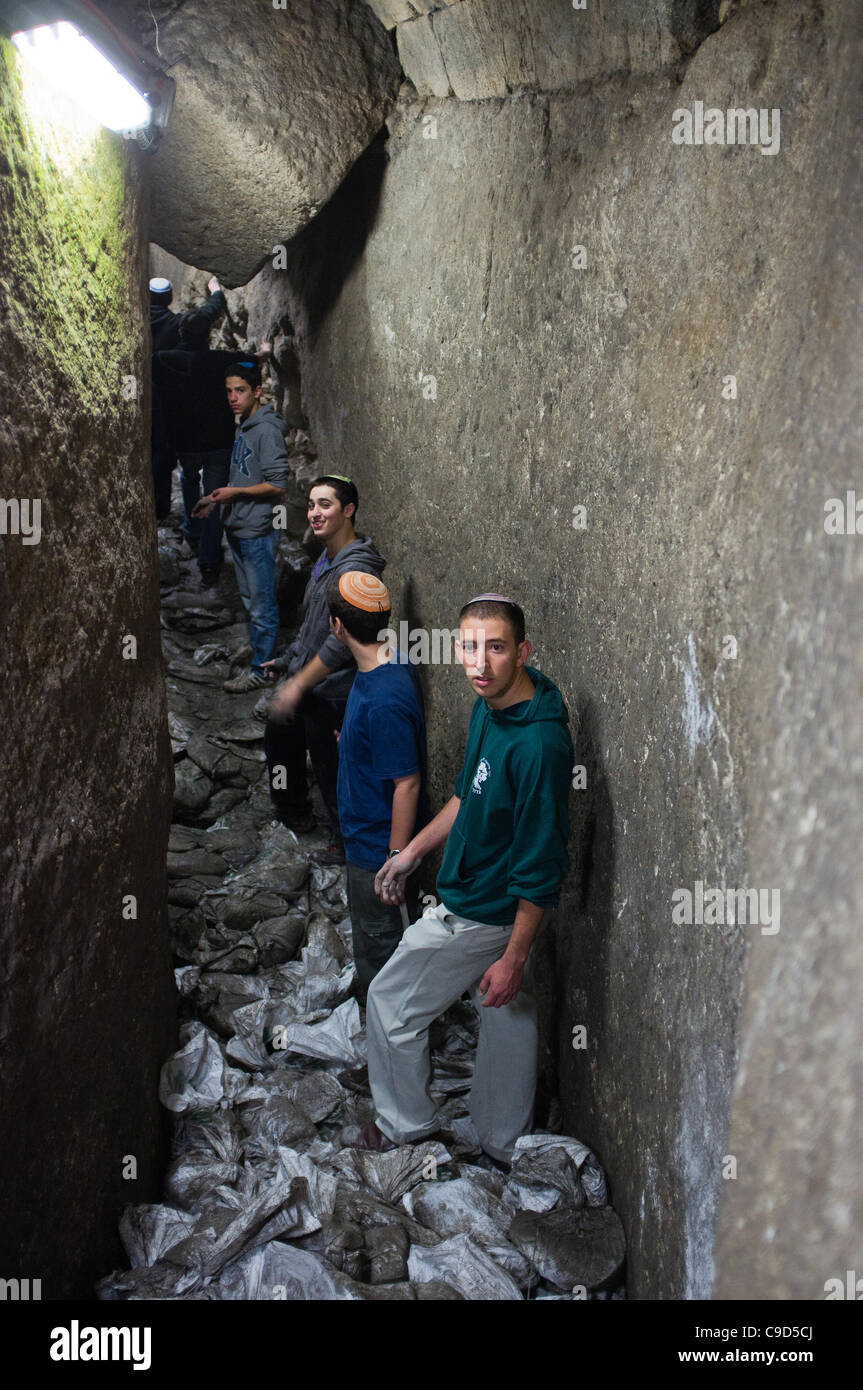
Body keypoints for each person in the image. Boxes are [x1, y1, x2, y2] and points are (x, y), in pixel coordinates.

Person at [358, 594, 573, 1166]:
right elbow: (466, 798)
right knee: (506, 1015)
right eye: (471, 647)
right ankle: (502, 1141)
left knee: (388, 1005)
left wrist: (514, 954)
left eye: (497, 648)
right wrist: (411, 852)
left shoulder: (539, 747)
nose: (480, 663)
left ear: (523, 652)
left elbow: (542, 864)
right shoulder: (492, 705)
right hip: (484, 900)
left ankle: (407, 1127)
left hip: (483, 909)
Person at [262, 477, 386, 863]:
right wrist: (286, 660)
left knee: (333, 770)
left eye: (326, 505)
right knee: (279, 733)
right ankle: (294, 811)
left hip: (331, 690)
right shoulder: (326, 558)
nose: (315, 513)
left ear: (348, 510)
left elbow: (340, 641)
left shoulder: (356, 571)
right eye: (312, 505)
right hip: (307, 678)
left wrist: (298, 683)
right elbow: (312, 625)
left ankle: (345, 845)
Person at [326, 571, 429, 1000]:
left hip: (376, 848)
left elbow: (406, 783)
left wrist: (394, 862)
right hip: (370, 836)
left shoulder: (383, 699)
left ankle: (387, 1041)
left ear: (338, 626)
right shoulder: (389, 660)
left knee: (380, 949)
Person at [192, 361, 289, 690]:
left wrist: (235, 493)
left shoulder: (266, 430)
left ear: (257, 391)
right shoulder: (244, 425)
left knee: (263, 605)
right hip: (238, 525)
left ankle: (262, 673)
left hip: (257, 530)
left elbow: (278, 484)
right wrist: (216, 499)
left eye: (241, 390)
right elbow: (245, 474)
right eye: (229, 391)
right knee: (250, 599)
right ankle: (258, 655)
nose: (233, 397)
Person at [154, 326, 271, 586]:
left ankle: (191, 529)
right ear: (206, 337)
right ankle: (209, 560)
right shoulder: (222, 359)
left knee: (188, 478)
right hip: (218, 440)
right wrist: (264, 352)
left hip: (184, 440)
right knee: (215, 496)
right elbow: (250, 360)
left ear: (182, 334)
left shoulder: (164, 359)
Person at [148, 274, 229, 521]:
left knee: (154, 454)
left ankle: (157, 507)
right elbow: (205, 315)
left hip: (144, 396)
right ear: (170, 297)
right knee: (164, 455)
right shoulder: (176, 324)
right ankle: (161, 507)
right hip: (169, 403)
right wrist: (216, 291)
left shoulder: (135, 319)